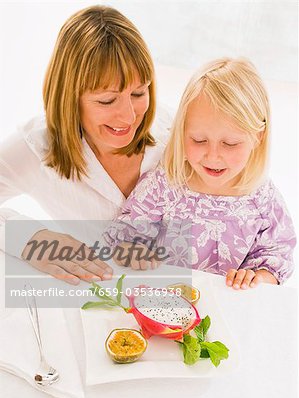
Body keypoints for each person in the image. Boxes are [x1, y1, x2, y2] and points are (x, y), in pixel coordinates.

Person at [0, 5, 171, 285]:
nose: (129, 116)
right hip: (96, 304)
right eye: (107, 100)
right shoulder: (37, 146)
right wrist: (31, 238)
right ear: (70, 97)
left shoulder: (175, 133)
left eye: (139, 93)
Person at [104, 58, 296, 289]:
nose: (213, 156)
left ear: (258, 136)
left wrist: (258, 277)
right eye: (199, 140)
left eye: (230, 143)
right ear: (182, 132)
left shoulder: (261, 196)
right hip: (167, 302)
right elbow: (124, 236)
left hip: (229, 310)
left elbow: (277, 252)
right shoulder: (165, 185)